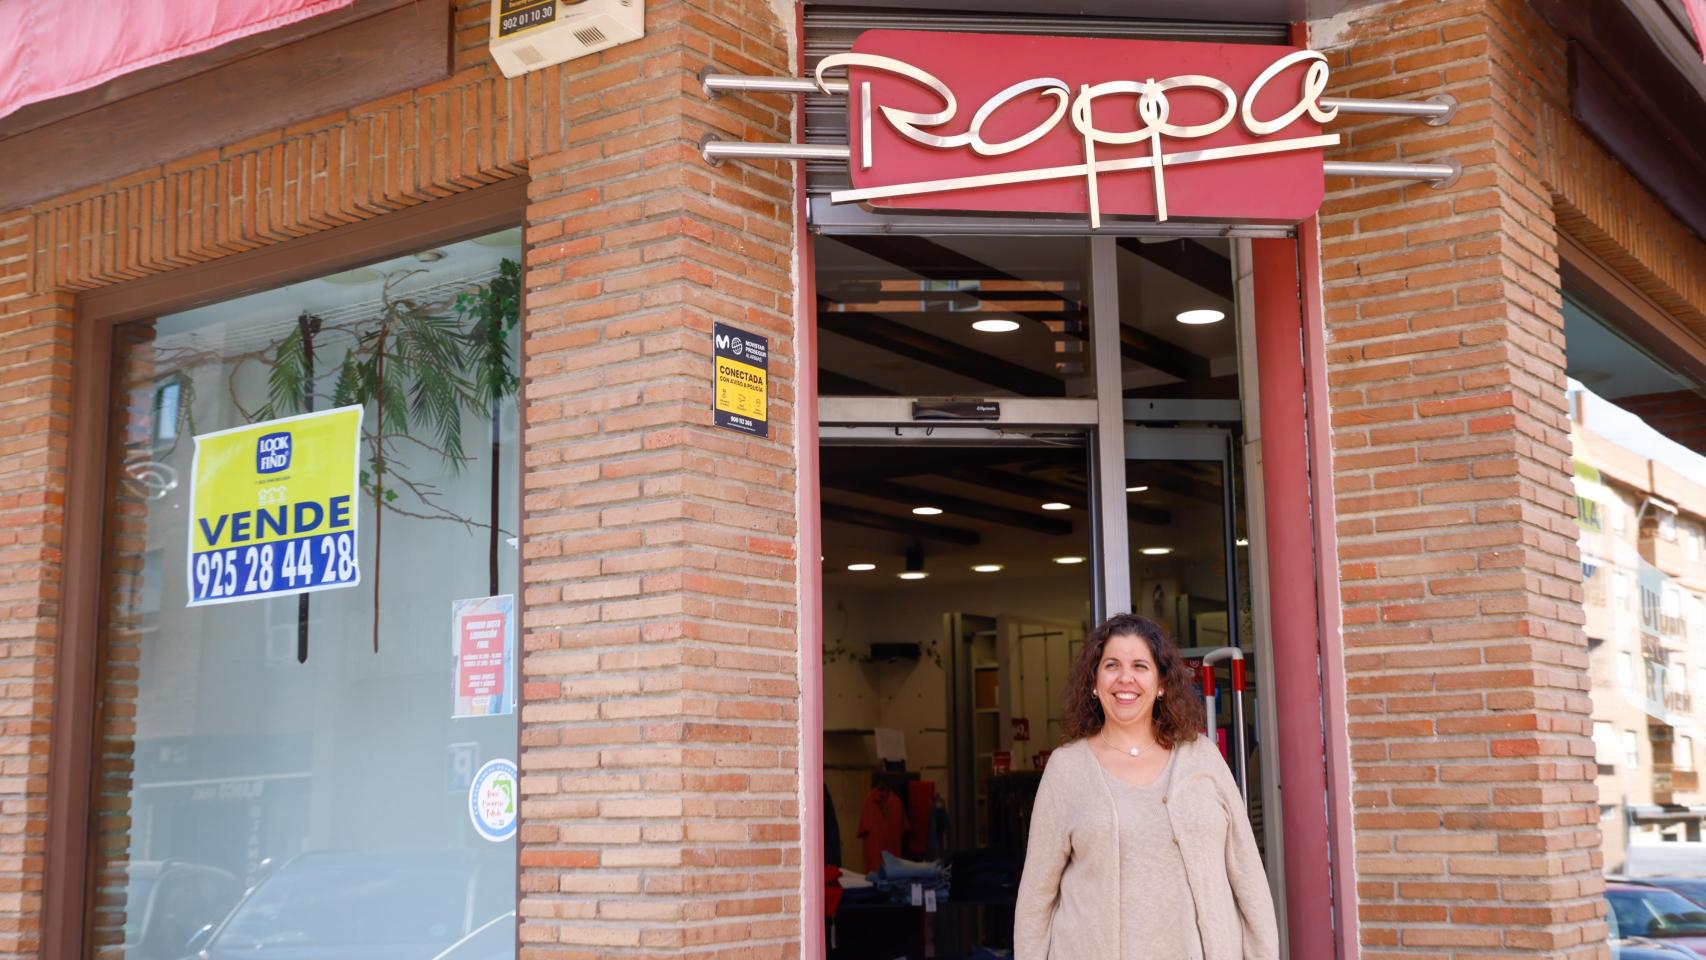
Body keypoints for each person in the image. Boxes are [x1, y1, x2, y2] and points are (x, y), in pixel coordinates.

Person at [1013, 613, 1277, 960]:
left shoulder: (1203, 757)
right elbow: (1035, 899)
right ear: (1094, 682)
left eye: (1140, 666)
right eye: (1111, 665)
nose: (1126, 678)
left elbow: (1248, 875)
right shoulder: (1067, 769)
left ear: (1162, 683)